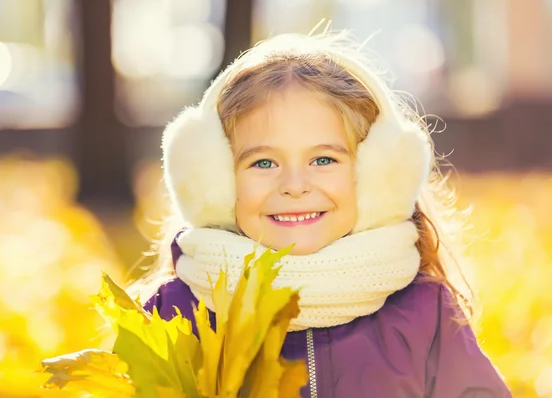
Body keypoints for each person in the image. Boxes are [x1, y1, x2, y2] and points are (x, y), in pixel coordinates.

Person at [129, 31, 511, 397]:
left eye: (323, 159)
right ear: (215, 184)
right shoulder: (175, 314)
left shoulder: (424, 313)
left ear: (378, 178)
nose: (294, 185)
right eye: (263, 163)